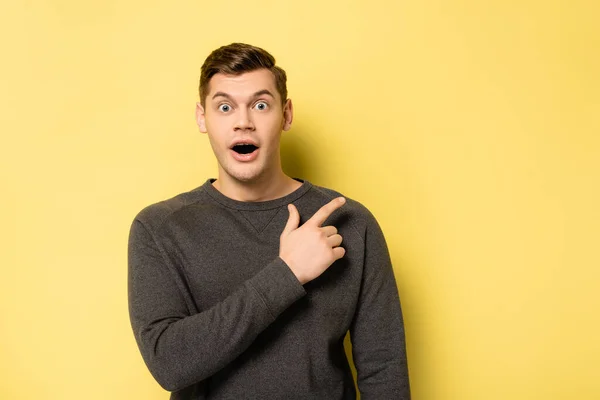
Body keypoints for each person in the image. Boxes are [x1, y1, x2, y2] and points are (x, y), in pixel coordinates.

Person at [128, 42, 411, 400]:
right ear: (203, 118)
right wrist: (287, 273)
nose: (243, 122)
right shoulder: (160, 228)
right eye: (225, 107)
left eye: (261, 106)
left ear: (286, 114)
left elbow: (383, 369)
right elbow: (170, 363)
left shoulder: (351, 222)